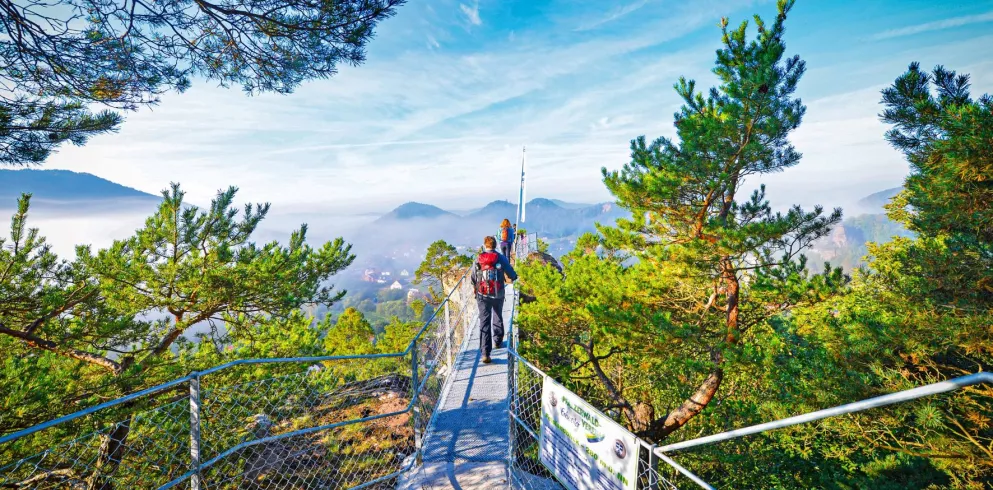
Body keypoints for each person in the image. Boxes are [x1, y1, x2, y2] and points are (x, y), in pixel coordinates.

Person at [470, 235, 518, 363]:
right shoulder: (500, 257)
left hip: (482, 295)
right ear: (495, 245)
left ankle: (485, 353)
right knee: (497, 315)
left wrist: (477, 287)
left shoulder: (479, 259)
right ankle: (497, 341)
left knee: (484, 322)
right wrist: (513, 277)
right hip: (498, 293)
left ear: (484, 245)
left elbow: (473, 277)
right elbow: (510, 272)